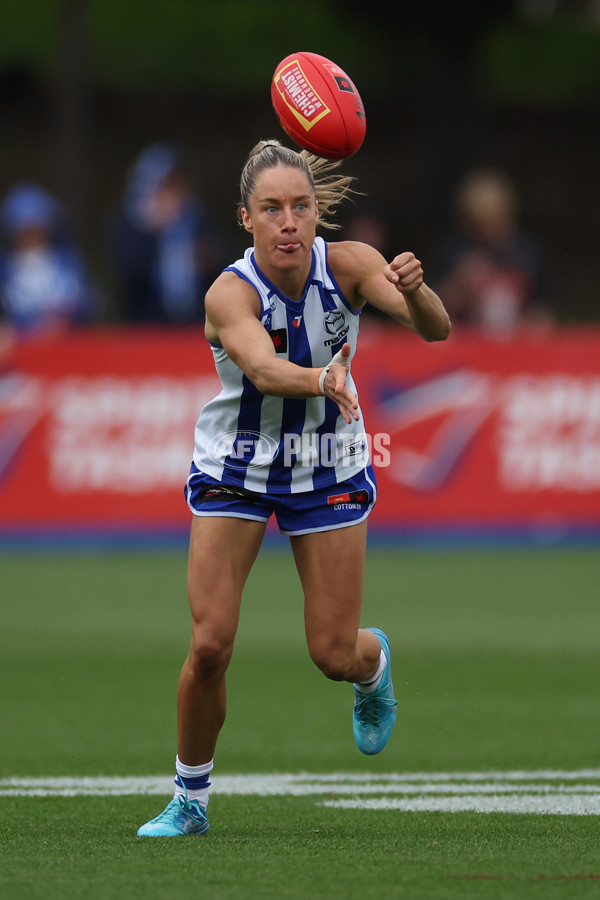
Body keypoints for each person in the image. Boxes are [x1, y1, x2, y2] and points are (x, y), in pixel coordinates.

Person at [137, 140, 451, 838]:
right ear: (245, 218)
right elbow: (260, 368)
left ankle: (374, 667)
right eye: (272, 209)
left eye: (301, 207)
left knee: (332, 654)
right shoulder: (229, 292)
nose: (288, 222)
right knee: (212, 642)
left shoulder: (350, 267)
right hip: (237, 465)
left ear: (317, 214)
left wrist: (416, 286)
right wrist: (322, 379)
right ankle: (190, 800)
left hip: (327, 463)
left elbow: (437, 331)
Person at [106, 142, 231, 324]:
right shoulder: (128, 224)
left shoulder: (200, 220)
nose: (174, 194)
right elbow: (127, 277)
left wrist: (207, 258)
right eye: (167, 186)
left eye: (178, 185)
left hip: (198, 324)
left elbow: (226, 262)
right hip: (146, 326)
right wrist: (153, 231)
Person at [431, 167, 554, 335]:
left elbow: (543, 312)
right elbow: (431, 312)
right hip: (468, 344)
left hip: (517, 345)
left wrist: (533, 326)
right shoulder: (455, 250)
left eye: (495, 220)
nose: (489, 232)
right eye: (479, 225)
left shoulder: (528, 251)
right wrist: (461, 285)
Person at [0, 183, 96, 335]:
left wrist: (62, 319)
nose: (31, 236)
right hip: (20, 348)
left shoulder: (67, 261)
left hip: (67, 343)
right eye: (25, 230)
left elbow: (88, 302)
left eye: (36, 228)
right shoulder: (5, 268)